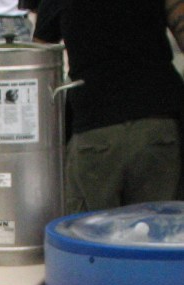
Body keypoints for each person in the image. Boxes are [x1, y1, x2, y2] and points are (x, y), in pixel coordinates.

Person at [34, 0, 184, 214]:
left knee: (91, 236)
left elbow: (38, 56)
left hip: (96, 128)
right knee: (159, 234)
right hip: (157, 122)